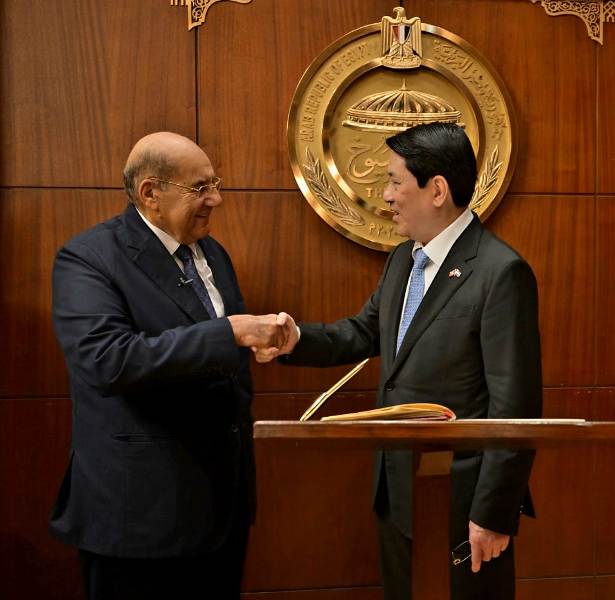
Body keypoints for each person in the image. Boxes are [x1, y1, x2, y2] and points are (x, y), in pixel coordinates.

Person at [261, 123, 542, 599]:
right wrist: (293, 339)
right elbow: (363, 333)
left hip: (461, 504)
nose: (386, 195)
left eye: (394, 181)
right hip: (397, 489)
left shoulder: (500, 272)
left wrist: (493, 513)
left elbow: (515, 406)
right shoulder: (403, 261)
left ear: (437, 190)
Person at [49, 131, 292, 600]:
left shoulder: (212, 253)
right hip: (140, 517)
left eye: (215, 184)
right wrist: (231, 334)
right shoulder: (89, 258)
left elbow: (218, 355)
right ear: (150, 193)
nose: (216, 199)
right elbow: (108, 360)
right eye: (200, 188)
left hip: (221, 509)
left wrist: (252, 347)